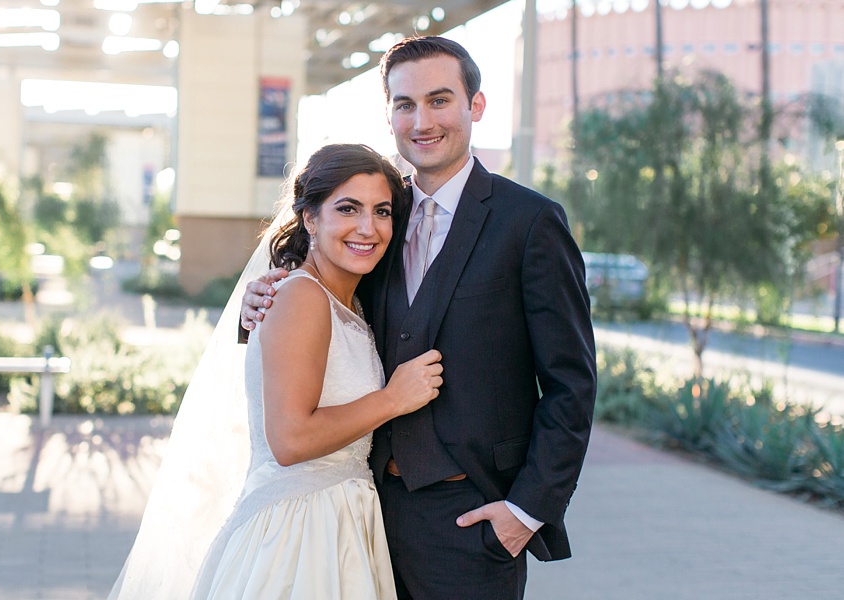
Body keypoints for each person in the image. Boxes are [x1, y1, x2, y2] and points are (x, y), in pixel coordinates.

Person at [240, 36, 597, 600]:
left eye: (439, 100)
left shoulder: (529, 222)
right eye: (405, 104)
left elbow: (571, 383)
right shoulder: (378, 215)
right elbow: (323, 305)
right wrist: (258, 300)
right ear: (389, 117)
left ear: (474, 107)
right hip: (360, 516)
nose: (422, 120)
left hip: (471, 523)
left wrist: (525, 512)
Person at [109, 143, 443, 600]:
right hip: (296, 535)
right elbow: (289, 440)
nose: (368, 227)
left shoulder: (349, 302)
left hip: (342, 525)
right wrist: (392, 399)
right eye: (348, 208)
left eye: (381, 211)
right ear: (310, 217)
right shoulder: (301, 298)